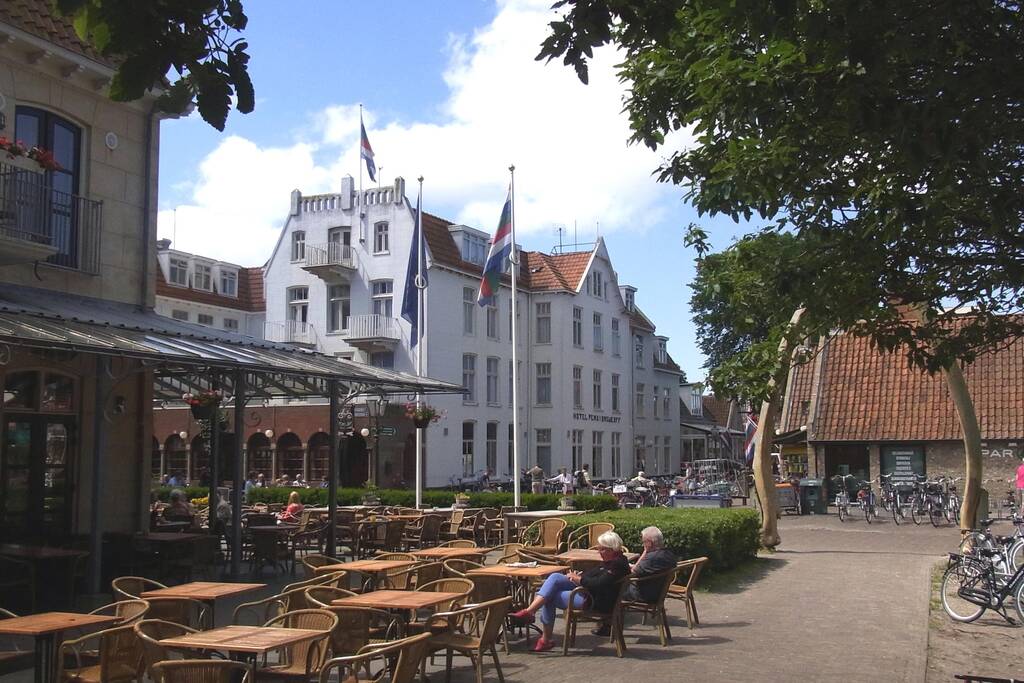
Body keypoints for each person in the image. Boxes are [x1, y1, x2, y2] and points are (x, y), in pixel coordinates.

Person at [510, 531, 630, 651]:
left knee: (549, 597)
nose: (599, 552)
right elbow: (594, 575)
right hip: (590, 593)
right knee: (555, 577)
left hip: (595, 601)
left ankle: (543, 636)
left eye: (602, 549)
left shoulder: (617, 565)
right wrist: (578, 576)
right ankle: (531, 613)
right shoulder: (614, 560)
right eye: (599, 548)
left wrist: (579, 579)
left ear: (611, 549)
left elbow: (599, 584)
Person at [626, 526, 677, 603]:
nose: (643, 544)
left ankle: (613, 613)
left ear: (649, 543)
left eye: (644, 542)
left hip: (643, 595)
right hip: (658, 592)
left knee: (613, 586)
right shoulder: (668, 554)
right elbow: (647, 569)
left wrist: (645, 552)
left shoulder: (651, 559)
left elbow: (632, 572)